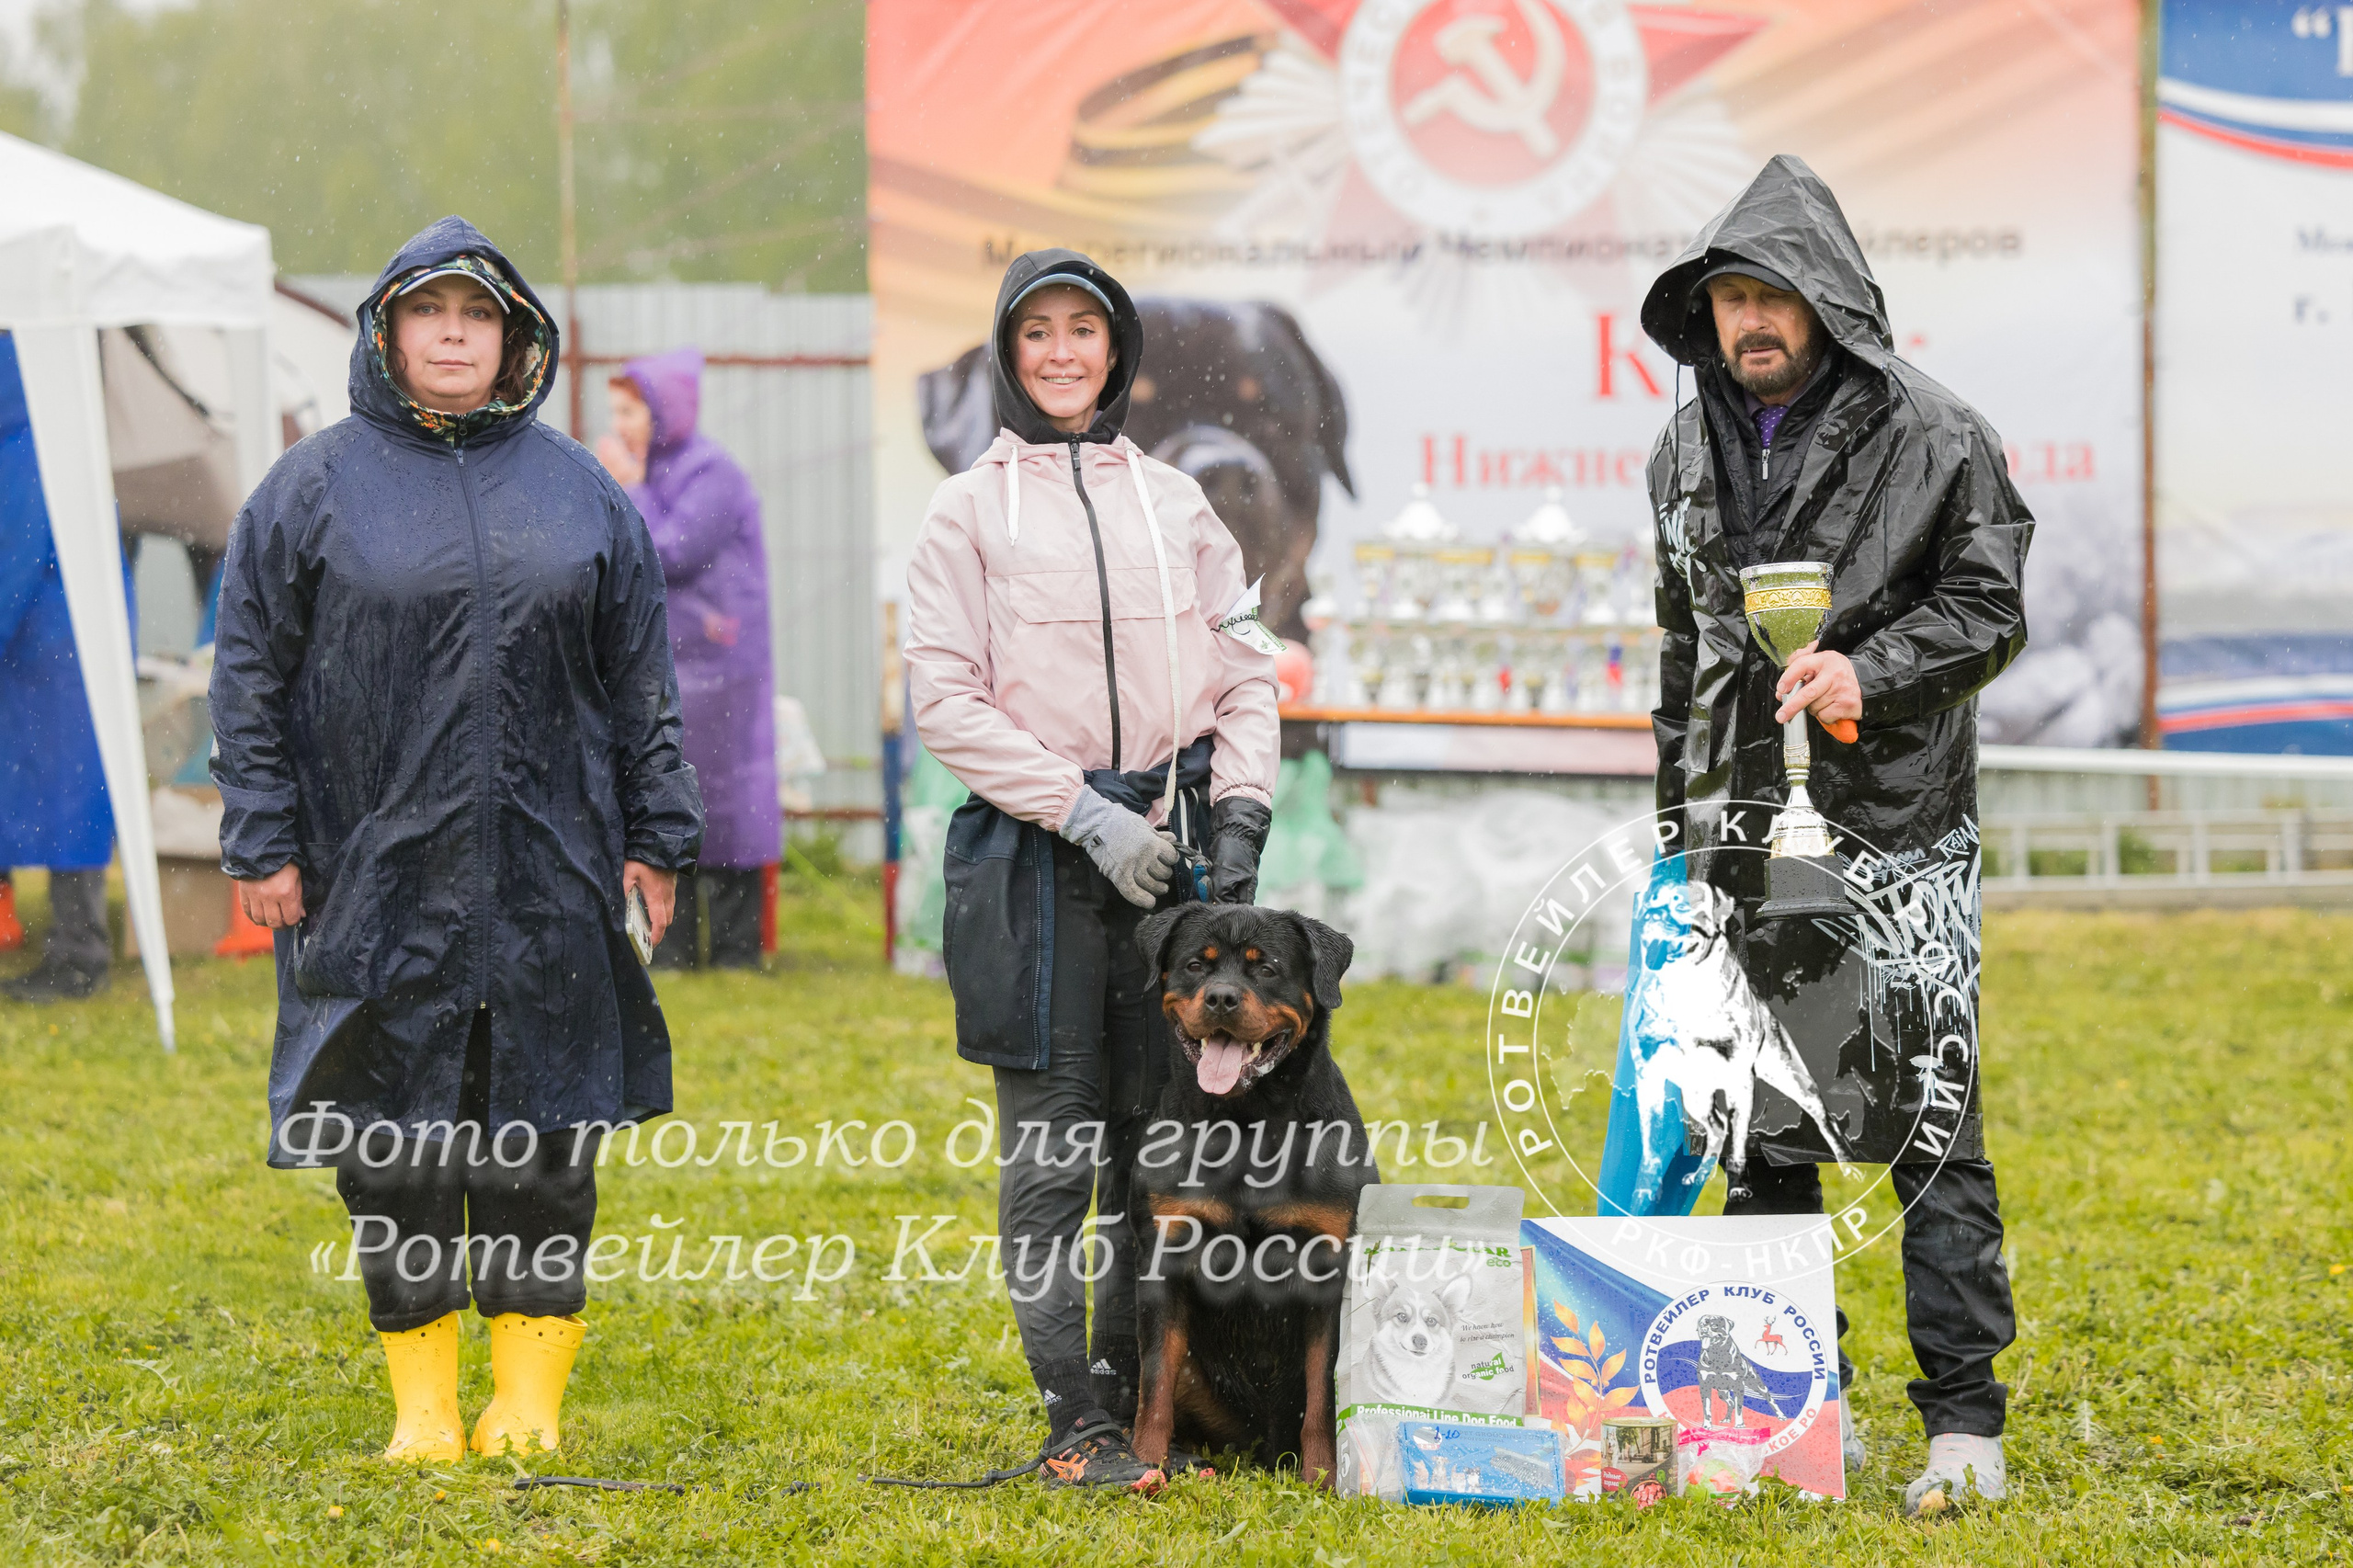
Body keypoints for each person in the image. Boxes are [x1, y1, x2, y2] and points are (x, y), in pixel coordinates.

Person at [209, 218, 703, 1464]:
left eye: (476, 316)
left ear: (514, 338)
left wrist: (659, 834)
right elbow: (250, 676)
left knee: (543, 1133)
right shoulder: (309, 488)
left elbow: (640, 677)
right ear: (386, 330)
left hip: (553, 872)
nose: (451, 334)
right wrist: (263, 837)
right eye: (427, 312)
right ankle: (426, 1402)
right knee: (395, 1140)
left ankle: (527, 1398)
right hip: (372, 877)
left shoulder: (581, 491)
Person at [1637, 155, 2032, 1515]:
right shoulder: (1681, 447)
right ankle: (1798, 1404)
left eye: (1775, 296)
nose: (1752, 320)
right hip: (1743, 834)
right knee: (1761, 1125)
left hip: (1901, 831)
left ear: (1830, 303)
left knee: (1930, 1122)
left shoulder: (1940, 433)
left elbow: (1988, 606)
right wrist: (1677, 836)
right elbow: (1683, 651)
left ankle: (1964, 1424)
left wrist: (1877, 665)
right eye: (1732, 296)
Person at [904, 249, 1279, 1492]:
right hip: (1033, 863)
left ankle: (1138, 1410)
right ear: (1009, 354)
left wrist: (1235, 819)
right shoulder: (967, 511)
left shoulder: (1178, 503)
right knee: (1052, 1154)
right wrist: (1077, 810)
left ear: (1116, 350)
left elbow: (1244, 672)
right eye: (1038, 334)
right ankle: (1074, 1420)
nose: (1063, 355)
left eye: (1084, 332)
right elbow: (944, 701)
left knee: (1152, 1153)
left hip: (1163, 860)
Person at [597, 349, 779, 969]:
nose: (619, 424)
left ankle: (734, 952)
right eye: (615, 411)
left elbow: (672, 551)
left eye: (631, 410)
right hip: (674, 664)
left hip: (721, 668)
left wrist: (631, 485)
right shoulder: (659, 469)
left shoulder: (711, 473)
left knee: (726, 801)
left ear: (664, 410)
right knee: (670, 793)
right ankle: (669, 948)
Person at [0, 331, 121, 1003]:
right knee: (64, 798)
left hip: (53, 651)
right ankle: (72, 952)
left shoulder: (24, 447)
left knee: (64, 799)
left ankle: (78, 960)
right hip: (58, 645)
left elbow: (10, 556)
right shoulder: (52, 435)